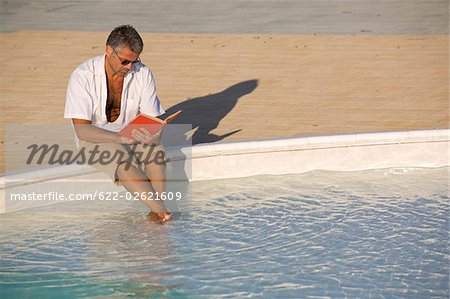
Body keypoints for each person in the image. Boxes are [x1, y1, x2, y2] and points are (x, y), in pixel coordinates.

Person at [64, 25, 172, 223]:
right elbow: (82, 130)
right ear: (108, 50)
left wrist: (153, 136)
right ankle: (162, 210)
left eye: (135, 61)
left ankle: (155, 213)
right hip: (94, 137)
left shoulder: (143, 73)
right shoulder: (82, 77)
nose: (130, 67)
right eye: (125, 61)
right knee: (117, 152)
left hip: (131, 133)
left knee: (155, 148)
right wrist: (118, 137)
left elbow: (152, 119)